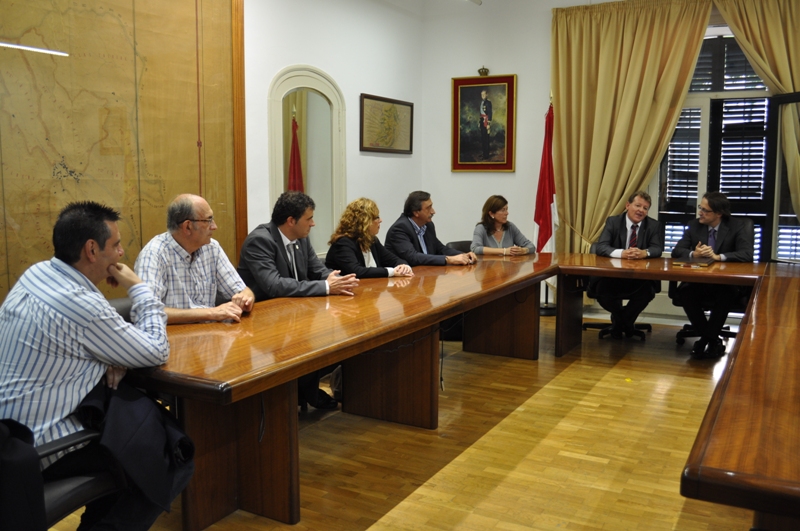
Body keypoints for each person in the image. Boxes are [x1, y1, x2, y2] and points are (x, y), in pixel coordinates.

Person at [0, 201, 192, 529]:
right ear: (91, 249)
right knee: (169, 454)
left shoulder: (38, 275)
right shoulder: (79, 303)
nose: (120, 254)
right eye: (116, 245)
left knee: (132, 444)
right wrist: (139, 289)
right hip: (41, 446)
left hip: (10, 431)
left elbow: (79, 342)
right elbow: (156, 350)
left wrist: (111, 357)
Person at [237, 191, 359, 410]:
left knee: (321, 337)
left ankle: (306, 391)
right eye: (309, 219)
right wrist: (326, 287)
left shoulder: (301, 238)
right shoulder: (260, 240)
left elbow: (317, 269)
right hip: (263, 322)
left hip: (294, 312)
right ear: (291, 221)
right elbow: (274, 285)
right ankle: (295, 396)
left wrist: (337, 280)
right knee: (306, 341)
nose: (313, 224)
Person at [134, 194, 254, 324]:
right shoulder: (154, 254)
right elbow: (146, 311)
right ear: (188, 227)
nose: (214, 226)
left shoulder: (212, 248)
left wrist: (246, 298)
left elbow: (242, 290)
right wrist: (211, 313)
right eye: (208, 220)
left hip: (210, 335)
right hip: (173, 339)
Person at [672, 191, 754, 359]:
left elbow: (747, 254)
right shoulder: (694, 225)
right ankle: (712, 339)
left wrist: (718, 257)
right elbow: (677, 251)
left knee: (726, 295)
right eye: (700, 208)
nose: (700, 213)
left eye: (705, 210)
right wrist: (693, 254)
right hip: (699, 281)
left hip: (726, 283)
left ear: (719, 213)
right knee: (685, 293)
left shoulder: (737, 226)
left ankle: (704, 341)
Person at [590, 191, 663, 339]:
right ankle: (626, 322)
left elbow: (657, 249)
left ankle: (619, 323)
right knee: (601, 290)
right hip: (612, 276)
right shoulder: (613, 222)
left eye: (645, 208)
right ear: (628, 205)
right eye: (638, 205)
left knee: (647, 292)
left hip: (639, 278)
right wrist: (621, 253)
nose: (641, 210)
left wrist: (645, 253)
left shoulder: (653, 225)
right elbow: (601, 246)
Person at [326, 197, 414, 278]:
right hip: (347, 293)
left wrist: (403, 266)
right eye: (377, 217)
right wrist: (391, 272)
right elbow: (356, 271)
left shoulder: (372, 240)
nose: (381, 220)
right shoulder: (343, 243)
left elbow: (394, 260)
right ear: (365, 221)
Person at [385, 191, 477, 267]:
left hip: (426, 276)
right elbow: (412, 257)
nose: (433, 211)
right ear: (416, 212)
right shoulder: (399, 229)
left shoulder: (428, 225)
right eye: (428, 208)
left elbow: (440, 248)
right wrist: (448, 260)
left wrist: (463, 255)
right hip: (403, 282)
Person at [471, 195, 535, 256]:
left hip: (508, 267)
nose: (507, 213)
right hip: (487, 267)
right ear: (491, 214)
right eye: (503, 210)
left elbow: (531, 246)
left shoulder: (510, 227)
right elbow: (475, 249)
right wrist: (504, 251)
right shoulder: (481, 228)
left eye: (506, 209)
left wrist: (523, 250)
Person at [479, 89, 492, 159]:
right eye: (482, 94)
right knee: (483, 138)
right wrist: (480, 122)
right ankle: (484, 153)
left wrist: (488, 124)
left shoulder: (488, 103)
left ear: (487, 95)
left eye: (484, 94)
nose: (483, 96)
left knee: (486, 138)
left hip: (486, 121)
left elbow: (489, 113)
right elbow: (481, 113)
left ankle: (486, 155)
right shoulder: (482, 102)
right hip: (482, 121)